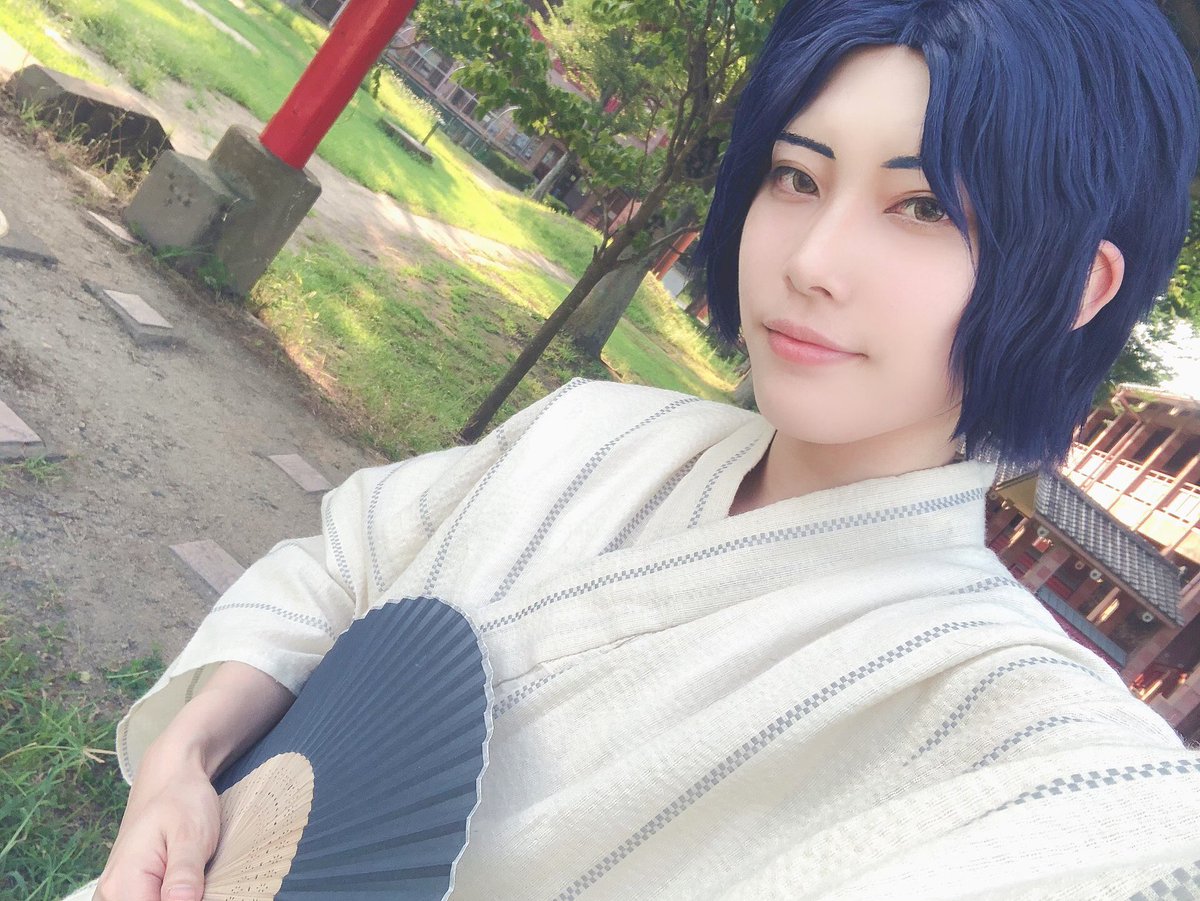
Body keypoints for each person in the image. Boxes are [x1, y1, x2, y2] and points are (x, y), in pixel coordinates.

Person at [71, 0, 1200, 898]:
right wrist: (184, 759)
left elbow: (1123, 834)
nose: (811, 259)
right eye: (797, 177)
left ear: (1077, 286)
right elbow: (347, 563)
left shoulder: (989, 700)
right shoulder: (595, 427)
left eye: (923, 209)